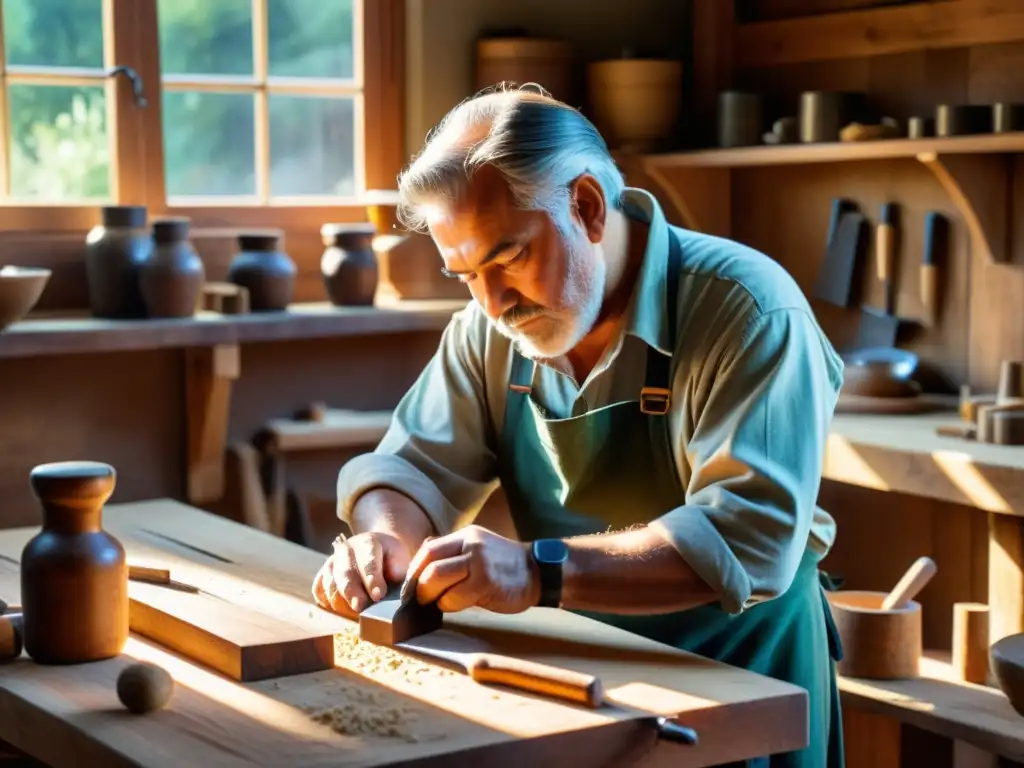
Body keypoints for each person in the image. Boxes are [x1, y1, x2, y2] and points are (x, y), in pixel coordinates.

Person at [312, 86, 845, 768]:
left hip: (746, 683)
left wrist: (535, 571)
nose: (492, 302)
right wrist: (384, 540)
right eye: (464, 274)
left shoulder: (749, 310)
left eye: (507, 258)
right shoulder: (488, 330)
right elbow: (412, 468)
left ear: (588, 207)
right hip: (589, 681)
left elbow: (748, 538)